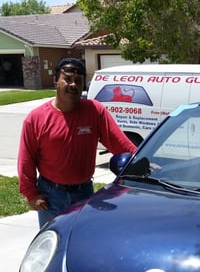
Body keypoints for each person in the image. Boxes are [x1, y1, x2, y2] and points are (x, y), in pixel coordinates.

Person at [18, 57, 137, 228]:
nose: (73, 84)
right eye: (67, 79)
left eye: (78, 81)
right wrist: (31, 194)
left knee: (81, 242)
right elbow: (26, 159)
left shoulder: (95, 111)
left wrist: (140, 161)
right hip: (50, 196)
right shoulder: (36, 118)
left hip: (84, 193)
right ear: (55, 82)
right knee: (52, 243)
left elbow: (120, 144)